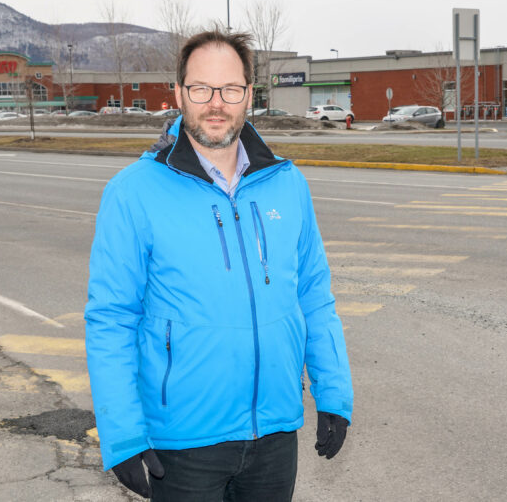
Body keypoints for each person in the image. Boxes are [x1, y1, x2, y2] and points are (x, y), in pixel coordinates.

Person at [85, 29, 353, 501]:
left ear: (249, 95)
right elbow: (111, 319)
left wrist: (333, 392)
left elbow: (313, 294)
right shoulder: (133, 192)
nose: (215, 103)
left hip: (274, 433)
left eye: (230, 89)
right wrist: (123, 434)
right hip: (182, 445)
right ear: (179, 94)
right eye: (200, 89)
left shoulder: (287, 185)